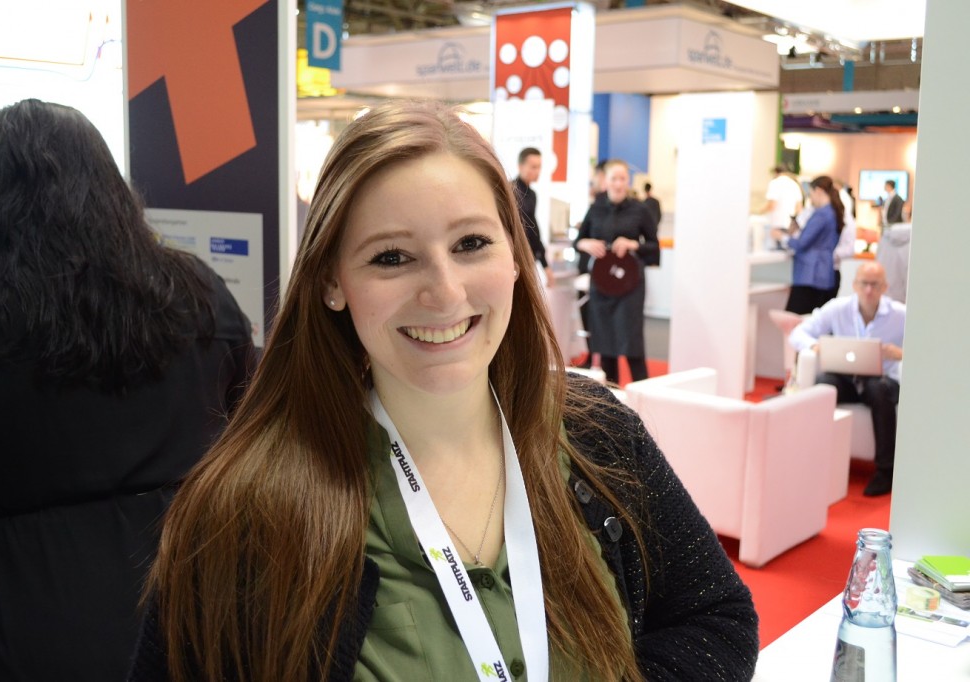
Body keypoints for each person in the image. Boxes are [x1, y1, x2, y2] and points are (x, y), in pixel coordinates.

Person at [128, 101, 758, 681]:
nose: (446, 292)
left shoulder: (598, 434)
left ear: (515, 256)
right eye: (391, 257)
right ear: (332, 281)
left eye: (471, 244)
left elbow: (716, 617)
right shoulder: (244, 515)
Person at [0, 99, 255, 680]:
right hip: (187, 605)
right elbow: (253, 425)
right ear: (111, 188)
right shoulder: (196, 290)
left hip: (20, 621)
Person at [789, 261, 904, 497]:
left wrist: (900, 354)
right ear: (855, 285)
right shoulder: (838, 308)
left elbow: (927, 347)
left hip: (883, 380)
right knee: (823, 385)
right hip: (847, 378)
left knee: (879, 389)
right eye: (864, 284)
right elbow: (798, 333)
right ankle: (809, 459)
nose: (869, 290)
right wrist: (815, 345)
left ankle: (886, 470)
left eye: (875, 285)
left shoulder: (900, 315)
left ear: (885, 287)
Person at [574, 159, 660, 385]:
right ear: (606, 181)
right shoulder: (595, 208)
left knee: (633, 345)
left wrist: (633, 244)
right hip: (602, 284)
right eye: (614, 178)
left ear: (628, 181)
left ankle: (644, 396)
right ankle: (612, 400)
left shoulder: (640, 210)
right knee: (606, 346)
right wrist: (586, 243)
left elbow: (654, 247)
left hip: (630, 285)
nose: (619, 183)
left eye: (623, 178)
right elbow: (578, 241)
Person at [773, 175, 844, 315]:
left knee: (795, 318)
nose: (811, 199)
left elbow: (802, 243)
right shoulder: (832, 212)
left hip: (810, 274)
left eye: (811, 195)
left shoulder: (822, 214)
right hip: (821, 273)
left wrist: (782, 237)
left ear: (818, 191)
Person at [511, 147, 554, 288]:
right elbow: (526, 229)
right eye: (533, 167)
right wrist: (545, 266)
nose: (537, 171)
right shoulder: (510, 191)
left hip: (528, 257)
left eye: (539, 167)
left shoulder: (532, 195)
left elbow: (533, 229)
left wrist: (544, 264)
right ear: (520, 166)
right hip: (513, 258)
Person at [761, 165, 804, 250]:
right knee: (786, 253)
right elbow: (799, 208)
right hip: (790, 226)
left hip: (776, 226)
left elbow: (772, 205)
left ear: (776, 173)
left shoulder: (775, 183)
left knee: (773, 252)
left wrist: (760, 211)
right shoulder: (794, 184)